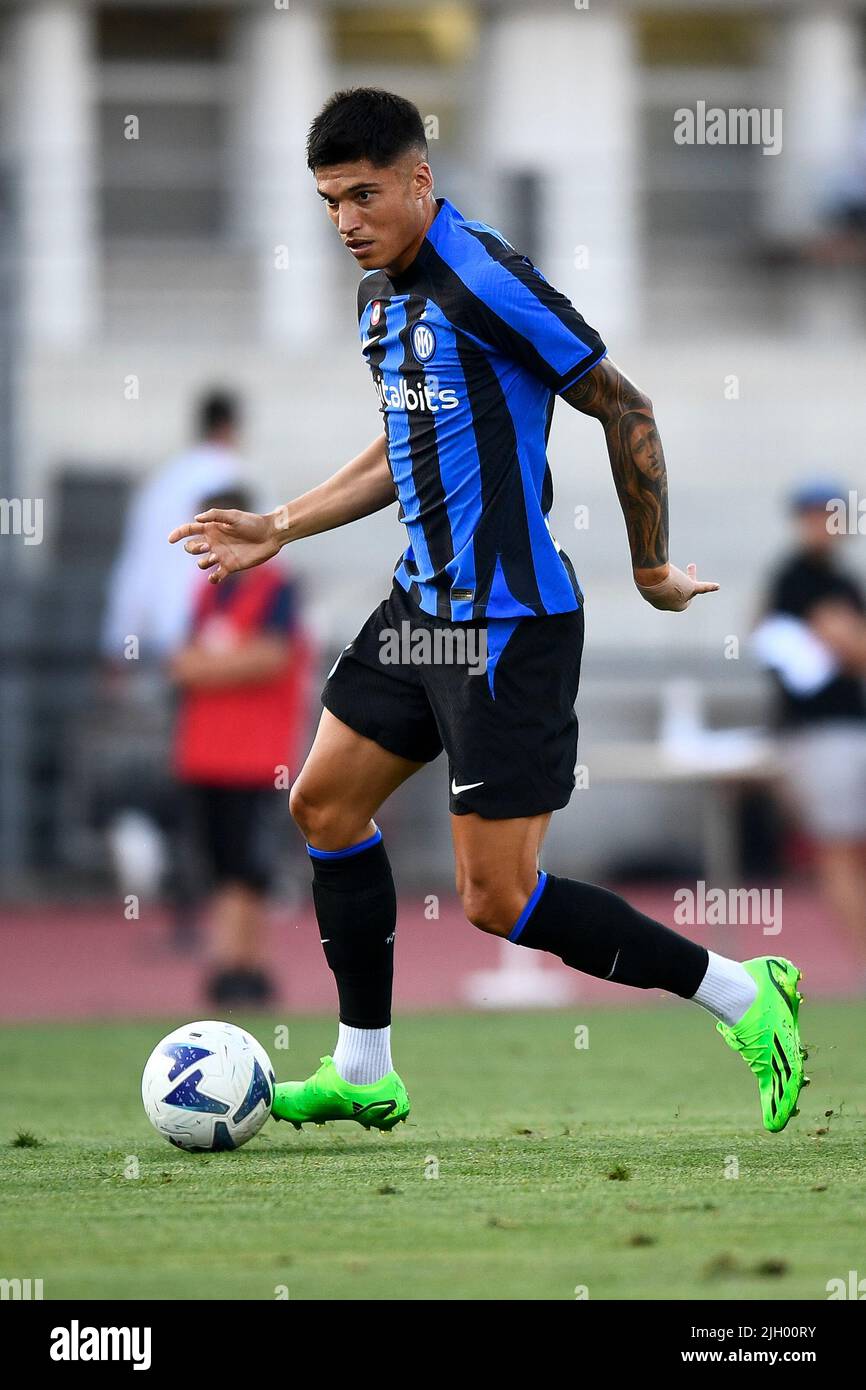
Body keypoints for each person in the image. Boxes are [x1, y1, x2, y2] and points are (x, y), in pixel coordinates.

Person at [170, 89, 807, 1135]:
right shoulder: (378, 296)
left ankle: (744, 993)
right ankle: (364, 1066)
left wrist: (649, 565)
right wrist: (281, 523)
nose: (344, 220)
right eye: (329, 201)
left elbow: (623, 404)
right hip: (420, 611)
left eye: (364, 194)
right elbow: (403, 448)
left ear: (420, 180)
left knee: (496, 899)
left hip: (509, 628)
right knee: (324, 806)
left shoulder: (486, 278)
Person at [171, 488, 309, 1007]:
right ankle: (233, 964)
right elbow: (181, 662)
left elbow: (269, 658)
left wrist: (211, 666)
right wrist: (222, 663)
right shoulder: (209, 591)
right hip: (204, 752)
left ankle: (242, 964)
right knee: (219, 865)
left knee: (247, 868)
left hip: (255, 755)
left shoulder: (276, 588)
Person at [755, 481, 866, 969]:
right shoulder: (797, 579)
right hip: (822, 733)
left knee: (843, 849)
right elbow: (841, 643)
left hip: (842, 728)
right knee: (838, 849)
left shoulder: (840, 581)